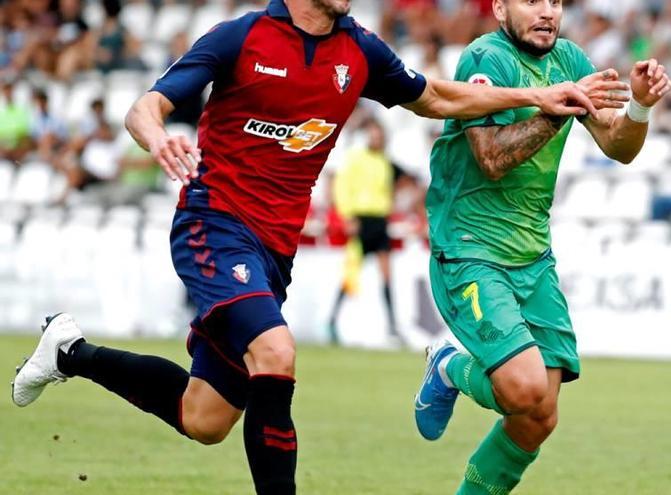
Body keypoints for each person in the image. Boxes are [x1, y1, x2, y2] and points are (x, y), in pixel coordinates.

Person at [11, 0, 603, 493]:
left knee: (206, 417)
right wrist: (158, 138)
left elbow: (440, 100)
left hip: (274, 249)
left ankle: (69, 352)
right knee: (276, 353)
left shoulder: (359, 50)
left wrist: (537, 98)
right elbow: (146, 107)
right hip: (213, 223)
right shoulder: (240, 38)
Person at [412, 0, 671, 493]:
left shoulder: (571, 60)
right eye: (531, 1)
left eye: (554, 1)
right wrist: (557, 110)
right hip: (470, 247)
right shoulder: (485, 58)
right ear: (499, 8)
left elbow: (619, 147)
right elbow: (489, 158)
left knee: (539, 417)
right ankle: (449, 366)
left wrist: (638, 105)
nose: (547, 11)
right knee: (524, 388)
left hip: (532, 255)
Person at [327, 119, 402, 345]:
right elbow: (342, 186)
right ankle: (332, 321)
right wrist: (347, 216)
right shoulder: (355, 159)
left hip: (379, 221)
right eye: (372, 135)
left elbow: (390, 189)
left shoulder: (385, 162)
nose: (375, 139)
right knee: (351, 274)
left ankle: (392, 326)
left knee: (387, 274)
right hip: (360, 221)